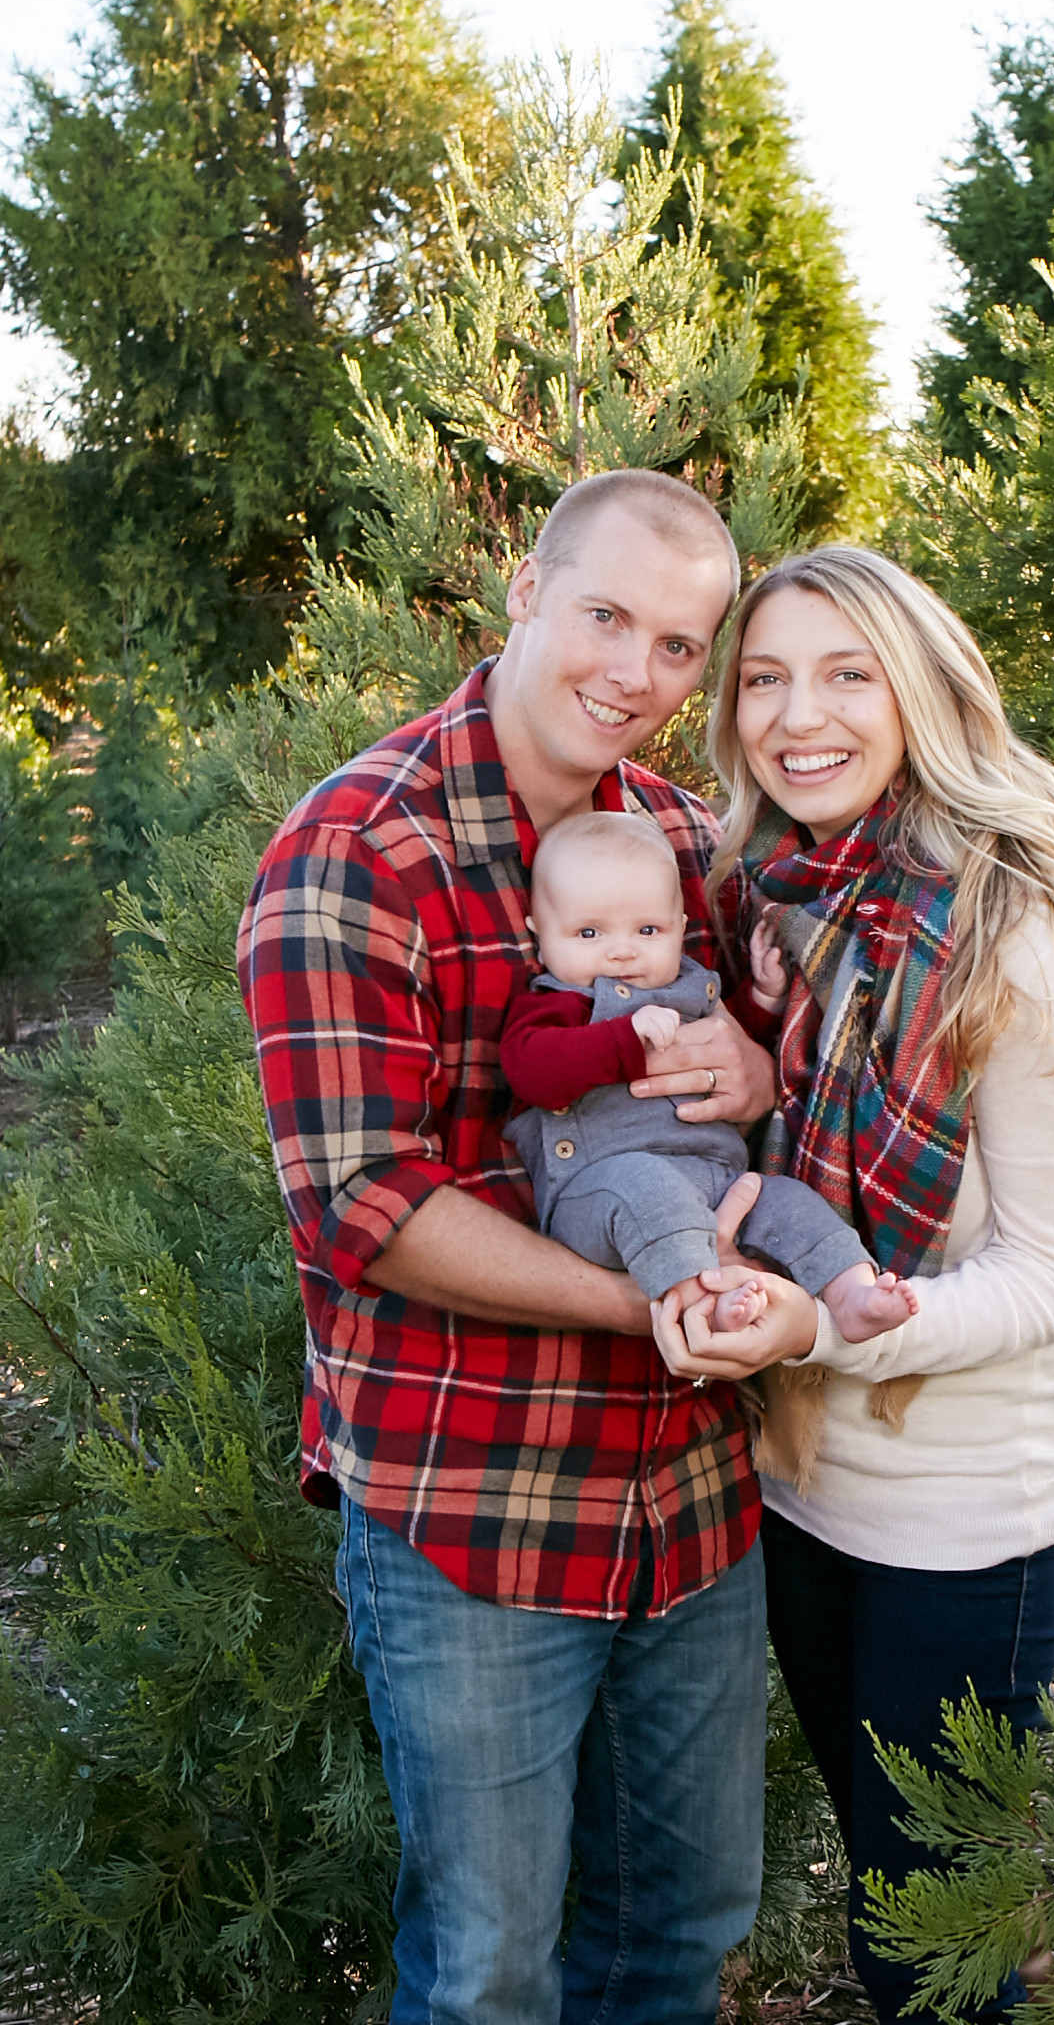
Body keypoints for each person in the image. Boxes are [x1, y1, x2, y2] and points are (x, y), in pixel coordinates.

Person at [236, 469, 820, 2025]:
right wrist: (651, 1301)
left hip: (690, 1504)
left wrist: (757, 1070)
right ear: (524, 593)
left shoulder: (687, 844)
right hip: (475, 1506)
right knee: (488, 1973)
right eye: (607, 617)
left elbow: (777, 1083)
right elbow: (365, 1206)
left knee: (680, 1934)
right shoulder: (356, 852)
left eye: (681, 646)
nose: (637, 673)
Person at [652, 545, 1054, 2023]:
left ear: (923, 691)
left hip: (969, 1524)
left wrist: (834, 1324)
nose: (795, 715)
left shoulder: (1021, 937)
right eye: (763, 678)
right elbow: (781, 1151)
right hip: (805, 1490)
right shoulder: (780, 907)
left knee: (928, 1959)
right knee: (911, 1910)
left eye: (846, 673)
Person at [500, 808, 919, 1338]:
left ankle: (852, 1292)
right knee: (649, 1192)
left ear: (679, 928)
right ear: (540, 936)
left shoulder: (690, 987)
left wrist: (762, 1000)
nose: (621, 950)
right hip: (602, 1191)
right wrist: (624, 1039)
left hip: (718, 1180)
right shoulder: (556, 1006)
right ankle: (702, 1303)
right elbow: (532, 1072)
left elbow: (727, 1045)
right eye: (588, 932)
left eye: (647, 929)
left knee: (791, 1202)